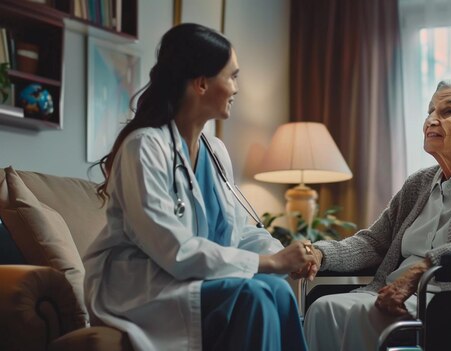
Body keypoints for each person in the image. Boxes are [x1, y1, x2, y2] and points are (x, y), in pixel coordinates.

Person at [83, 23, 315, 351]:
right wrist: (272, 264)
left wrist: (284, 255)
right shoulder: (144, 147)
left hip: (195, 280)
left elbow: (239, 231)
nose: (236, 88)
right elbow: (175, 250)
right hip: (146, 289)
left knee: (276, 290)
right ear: (202, 84)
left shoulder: (215, 150)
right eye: (232, 76)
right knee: (257, 293)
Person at [298, 77, 451, 351]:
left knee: (353, 315)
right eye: (430, 112)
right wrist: (321, 253)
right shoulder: (419, 183)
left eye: (447, 111)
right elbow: (373, 242)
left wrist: (427, 265)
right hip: (393, 295)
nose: (431, 120)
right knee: (323, 308)